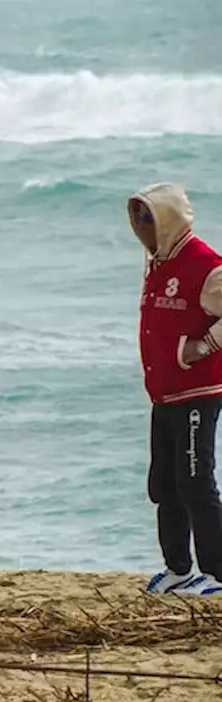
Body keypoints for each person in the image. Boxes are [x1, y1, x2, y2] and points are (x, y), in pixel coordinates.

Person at [130, 182, 222, 596]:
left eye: (147, 217)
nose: (140, 226)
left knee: (194, 481)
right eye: (136, 217)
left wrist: (201, 348)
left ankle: (218, 575)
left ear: (166, 219)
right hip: (163, 394)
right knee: (164, 484)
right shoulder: (157, 262)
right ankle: (179, 570)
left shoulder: (206, 265)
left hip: (197, 393)